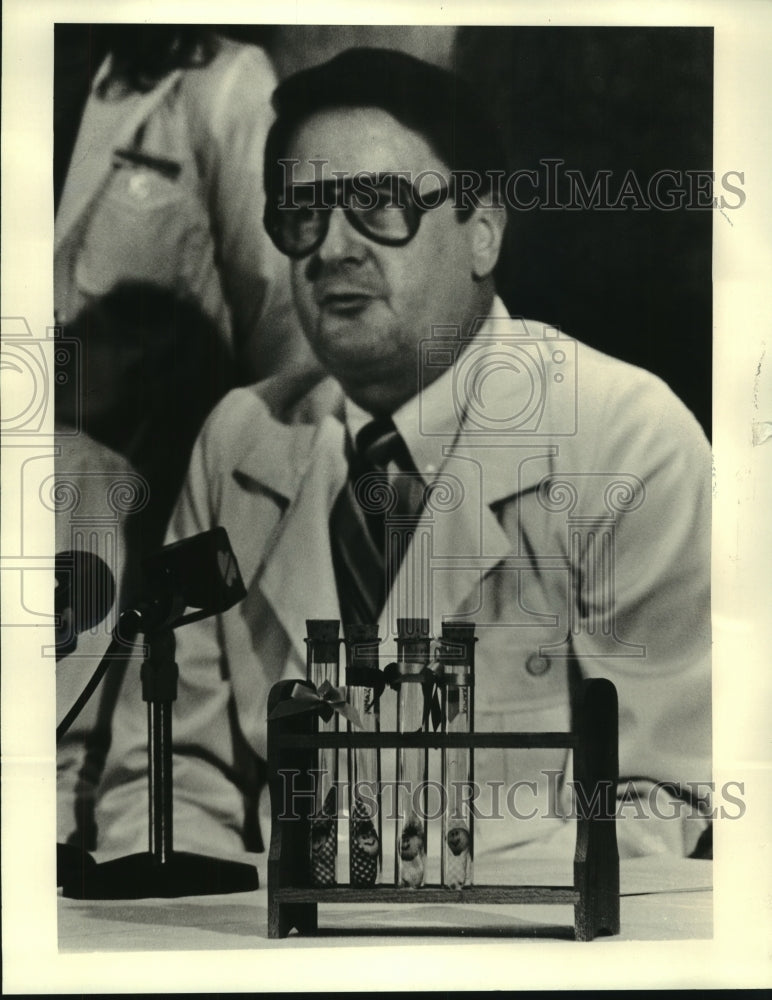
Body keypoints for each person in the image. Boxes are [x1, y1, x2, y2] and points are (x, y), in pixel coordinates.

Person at [94, 48, 711, 866]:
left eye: (378, 206)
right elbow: (169, 782)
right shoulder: (240, 438)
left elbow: (666, 807)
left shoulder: (627, 439)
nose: (333, 249)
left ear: (482, 230)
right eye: (303, 213)